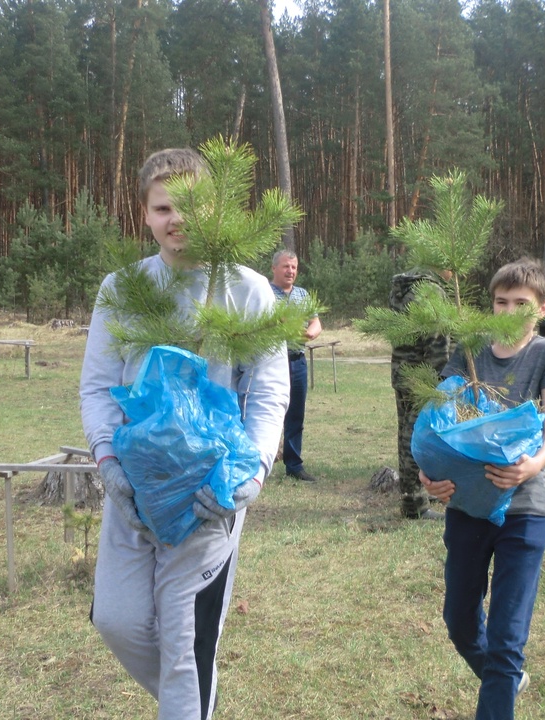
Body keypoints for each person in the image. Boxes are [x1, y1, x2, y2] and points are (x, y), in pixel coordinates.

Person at [80, 148, 290, 720]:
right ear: (145, 214)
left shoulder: (246, 291)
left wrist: (251, 472)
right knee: (116, 621)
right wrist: (107, 463)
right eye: (163, 207)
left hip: (208, 493)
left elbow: (268, 389)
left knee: (184, 645)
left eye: (188, 206)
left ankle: (187, 701)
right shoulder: (122, 288)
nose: (176, 219)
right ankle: (193, 702)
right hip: (134, 483)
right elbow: (98, 386)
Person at [419, 258, 545, 719]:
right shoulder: (469, 352)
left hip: (526, 511)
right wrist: (430, 475)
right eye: (500, 302)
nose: (508, 311)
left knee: (507, 639)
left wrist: (532, 468)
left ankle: (503, 679)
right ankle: (506, 678)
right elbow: (439, 425)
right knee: (461, 624)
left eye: (520, 304)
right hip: (468, 506)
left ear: (541, 308)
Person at [390, 269, 453, 519]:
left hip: (404, 373)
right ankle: (415, 506)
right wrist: (441, 385)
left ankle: (416, 496)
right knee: (416, 441)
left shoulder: (405, 287)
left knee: (406, 437)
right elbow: (437, 346)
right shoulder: (430, 292)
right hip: (424, 378)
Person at [270, 248, 323, 482]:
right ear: (274, 269)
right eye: (285, 266)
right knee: (267, 413)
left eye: (294, 267)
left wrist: (311, 333)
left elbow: (316, 321)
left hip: (297, 362)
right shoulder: (265, 293)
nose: (290, 271)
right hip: (271, 362)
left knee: (295, 415)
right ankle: (256, 465)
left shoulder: (302, 294)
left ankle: (293, 465)